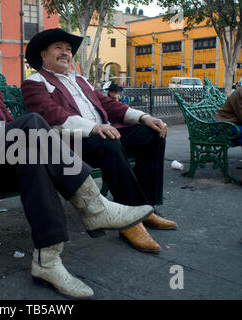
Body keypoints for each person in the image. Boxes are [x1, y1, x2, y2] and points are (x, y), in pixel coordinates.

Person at [0, 5, 154, 299]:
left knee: (31, 156)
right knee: (33, 124)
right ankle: (94, 207)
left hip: (3, 152)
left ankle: (48, 259)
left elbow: (8, 123)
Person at [21, 28, 178, 254]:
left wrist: (143, 117)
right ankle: (130, 221)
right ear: (43, 55)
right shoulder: (35, 82)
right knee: (107, 141)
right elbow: (50, 114)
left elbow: (109, 105)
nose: (65, 53)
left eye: (68, 50)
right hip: (70, 142)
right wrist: (93, 128)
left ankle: (147, 208)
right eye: (58, 48)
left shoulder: (81, 81)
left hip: (103, 133)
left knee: (152, 133)